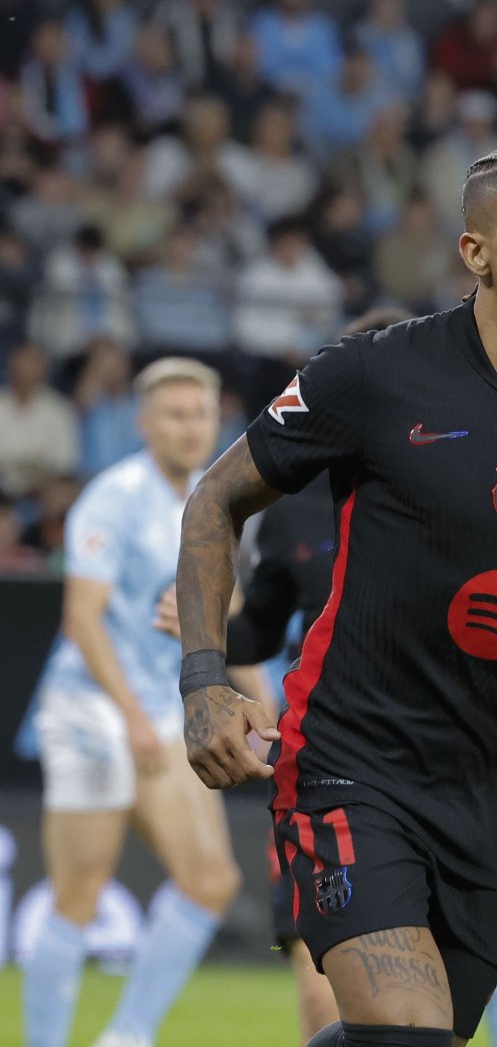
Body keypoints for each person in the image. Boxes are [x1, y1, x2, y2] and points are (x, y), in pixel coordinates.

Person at [174, 140, 497, 1047]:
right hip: (350, 764)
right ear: (476, 254)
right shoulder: (373, 374)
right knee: (408, 1033)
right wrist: (204, 679)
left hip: (493, 792)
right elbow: (217, 498)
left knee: (422, 1042)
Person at [155, 311, 497, 1046]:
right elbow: (263, 622)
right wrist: (207, 644)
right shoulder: (292, 507)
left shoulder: (481, 490)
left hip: (467, 763)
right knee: (336, 1005)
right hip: (339, 761)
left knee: (434, 1021)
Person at [22, 358, 237, 1047]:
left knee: (211, 880)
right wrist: (136, 721)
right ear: (142, 423)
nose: (189, 427)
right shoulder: (112, 497)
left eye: (199, 414)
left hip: (160, 710)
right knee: (79, 894)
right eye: (174, 414)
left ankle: (126, 1037)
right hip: (91, 711)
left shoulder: (215, 505)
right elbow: (82, 618)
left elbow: (226, 613)